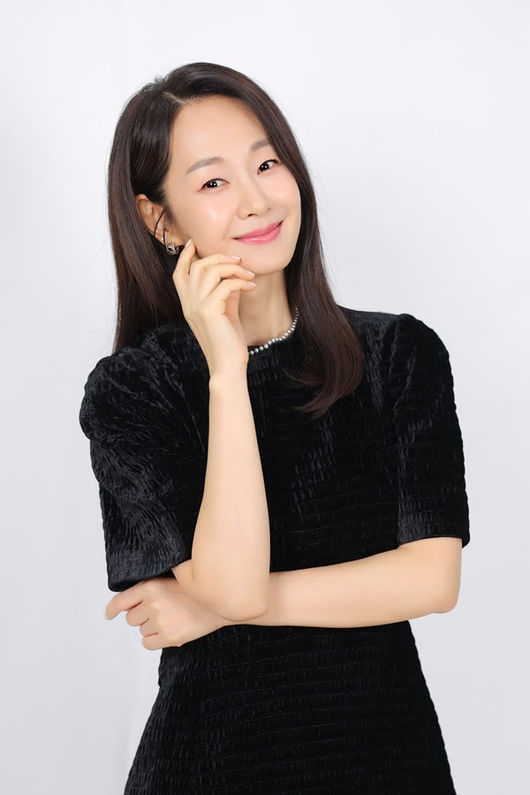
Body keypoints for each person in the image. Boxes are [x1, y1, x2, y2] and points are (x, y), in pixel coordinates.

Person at [79, 61, 470, 793]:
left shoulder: (398, 355)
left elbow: (432, 577)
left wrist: (211, 610)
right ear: (161, 220)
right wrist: (227, 374)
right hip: (215, 764)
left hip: (389, 759)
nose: (257, 199)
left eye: (266, 163)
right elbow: (232, 585)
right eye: (213, 182)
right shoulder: (134, 391)